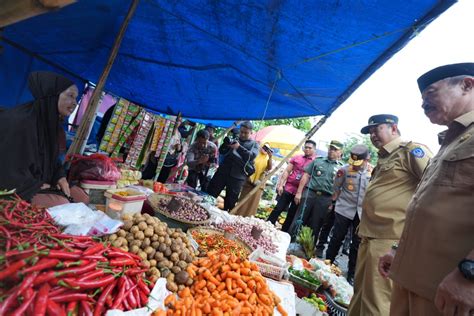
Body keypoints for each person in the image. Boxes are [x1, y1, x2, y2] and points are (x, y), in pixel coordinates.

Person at [377, 63, 474, 316]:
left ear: (467, 85)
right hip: (410, 279)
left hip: (447, 292)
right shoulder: (451, 140)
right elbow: (426, 206)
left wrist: (469, 275)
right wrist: (399, 251)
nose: (423, 104)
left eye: (431, 93)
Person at [347, 114, 432, 316]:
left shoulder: (411, 151)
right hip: (369, 235)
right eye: (370, 132)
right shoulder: (384, 157)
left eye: (377, 129)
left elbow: (435, 185)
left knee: (377, 302)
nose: (373, 135)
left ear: (393, 128)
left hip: (389, 238)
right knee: (360, 295)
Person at [0, 71, 89, 207]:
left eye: (76, 98)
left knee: (81, 197)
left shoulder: (51, 124)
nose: (75, 103)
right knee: (62, 203)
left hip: (38, 180)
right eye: (70, 96)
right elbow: (8, 169)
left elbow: (52, 161)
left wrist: (59, 176)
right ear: (51, 94)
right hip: (14, 185)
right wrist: (38, 185)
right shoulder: (20, 122)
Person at [325, 144, 371, 285]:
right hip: (344, 210)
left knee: (356, 244)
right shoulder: (343, 171)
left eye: (358, 163)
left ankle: (351, 274)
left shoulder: (372, 173)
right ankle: (327, 265)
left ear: (367, 159)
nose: (355, 166)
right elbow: (336, 188)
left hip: (361, 213)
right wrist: (332, 204)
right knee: (336, 238)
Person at [289, 140, 344, 242]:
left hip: (325, 199)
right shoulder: (318, 161)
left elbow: (339, 188)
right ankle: (289, 243)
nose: (331, 151)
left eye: (335, 149)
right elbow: (306, 175)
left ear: (340, 152)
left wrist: (332, 202)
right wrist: (299, 192)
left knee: (316, 224)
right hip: (310, 193)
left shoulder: (341, 168)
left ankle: (306, 250)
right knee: (299, 219)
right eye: (330, 148)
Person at [206, 121, 258, 211]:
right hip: (222, 172)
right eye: (241, 132)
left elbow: (251, 156)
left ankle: (224, 221)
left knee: (230, 202)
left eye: (246, 133)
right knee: (210, 194)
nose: (243, 134)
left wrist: (239, 147)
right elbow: (221, 152)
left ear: (251, 133)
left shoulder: (254, 144)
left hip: (237, 177)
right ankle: (202, 211)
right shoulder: (234, 139)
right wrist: (226, 145)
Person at [267, 140, 317, 231]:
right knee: (278, 208)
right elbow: (287, 171)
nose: (307, 149)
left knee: (292, 214)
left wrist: (301, 193)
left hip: (301, 193)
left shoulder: (316, 162)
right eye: (306, 147)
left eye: (310, 148)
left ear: (314, 149)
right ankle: (267, 226)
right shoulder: (297, 157)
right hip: (288, 188)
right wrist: (281, 185)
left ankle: (284, 232)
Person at [234, 142, 273, 217]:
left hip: (258, 184)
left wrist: (270, 157)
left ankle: (248, 218)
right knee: (243, 200)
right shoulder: (255, 154)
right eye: (264, 147)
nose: (265, 149)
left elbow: (269, 168)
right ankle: (238, 215)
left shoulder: (267, 158)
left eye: (267, 148)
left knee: (253, 203)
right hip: (249, 181)